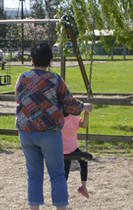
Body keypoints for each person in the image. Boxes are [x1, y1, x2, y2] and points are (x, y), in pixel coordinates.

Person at [15, 44, 88, 210]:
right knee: (57, 174)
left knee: (33, 175)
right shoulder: (55, 79)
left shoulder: (22, 78)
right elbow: (70, 105)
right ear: (50, 60)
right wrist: (82, 107)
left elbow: (19, 99)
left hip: (26, 131)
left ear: (31, 59)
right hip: (49, 132)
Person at [62, 106, 93, 199]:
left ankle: (83, 187)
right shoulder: (58, 119)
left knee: (84, 161)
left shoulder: (73, 117)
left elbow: (83, 125)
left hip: (73, 148)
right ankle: (64, 190)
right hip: (62, 150)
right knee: (65, 170)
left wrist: (86, 113)